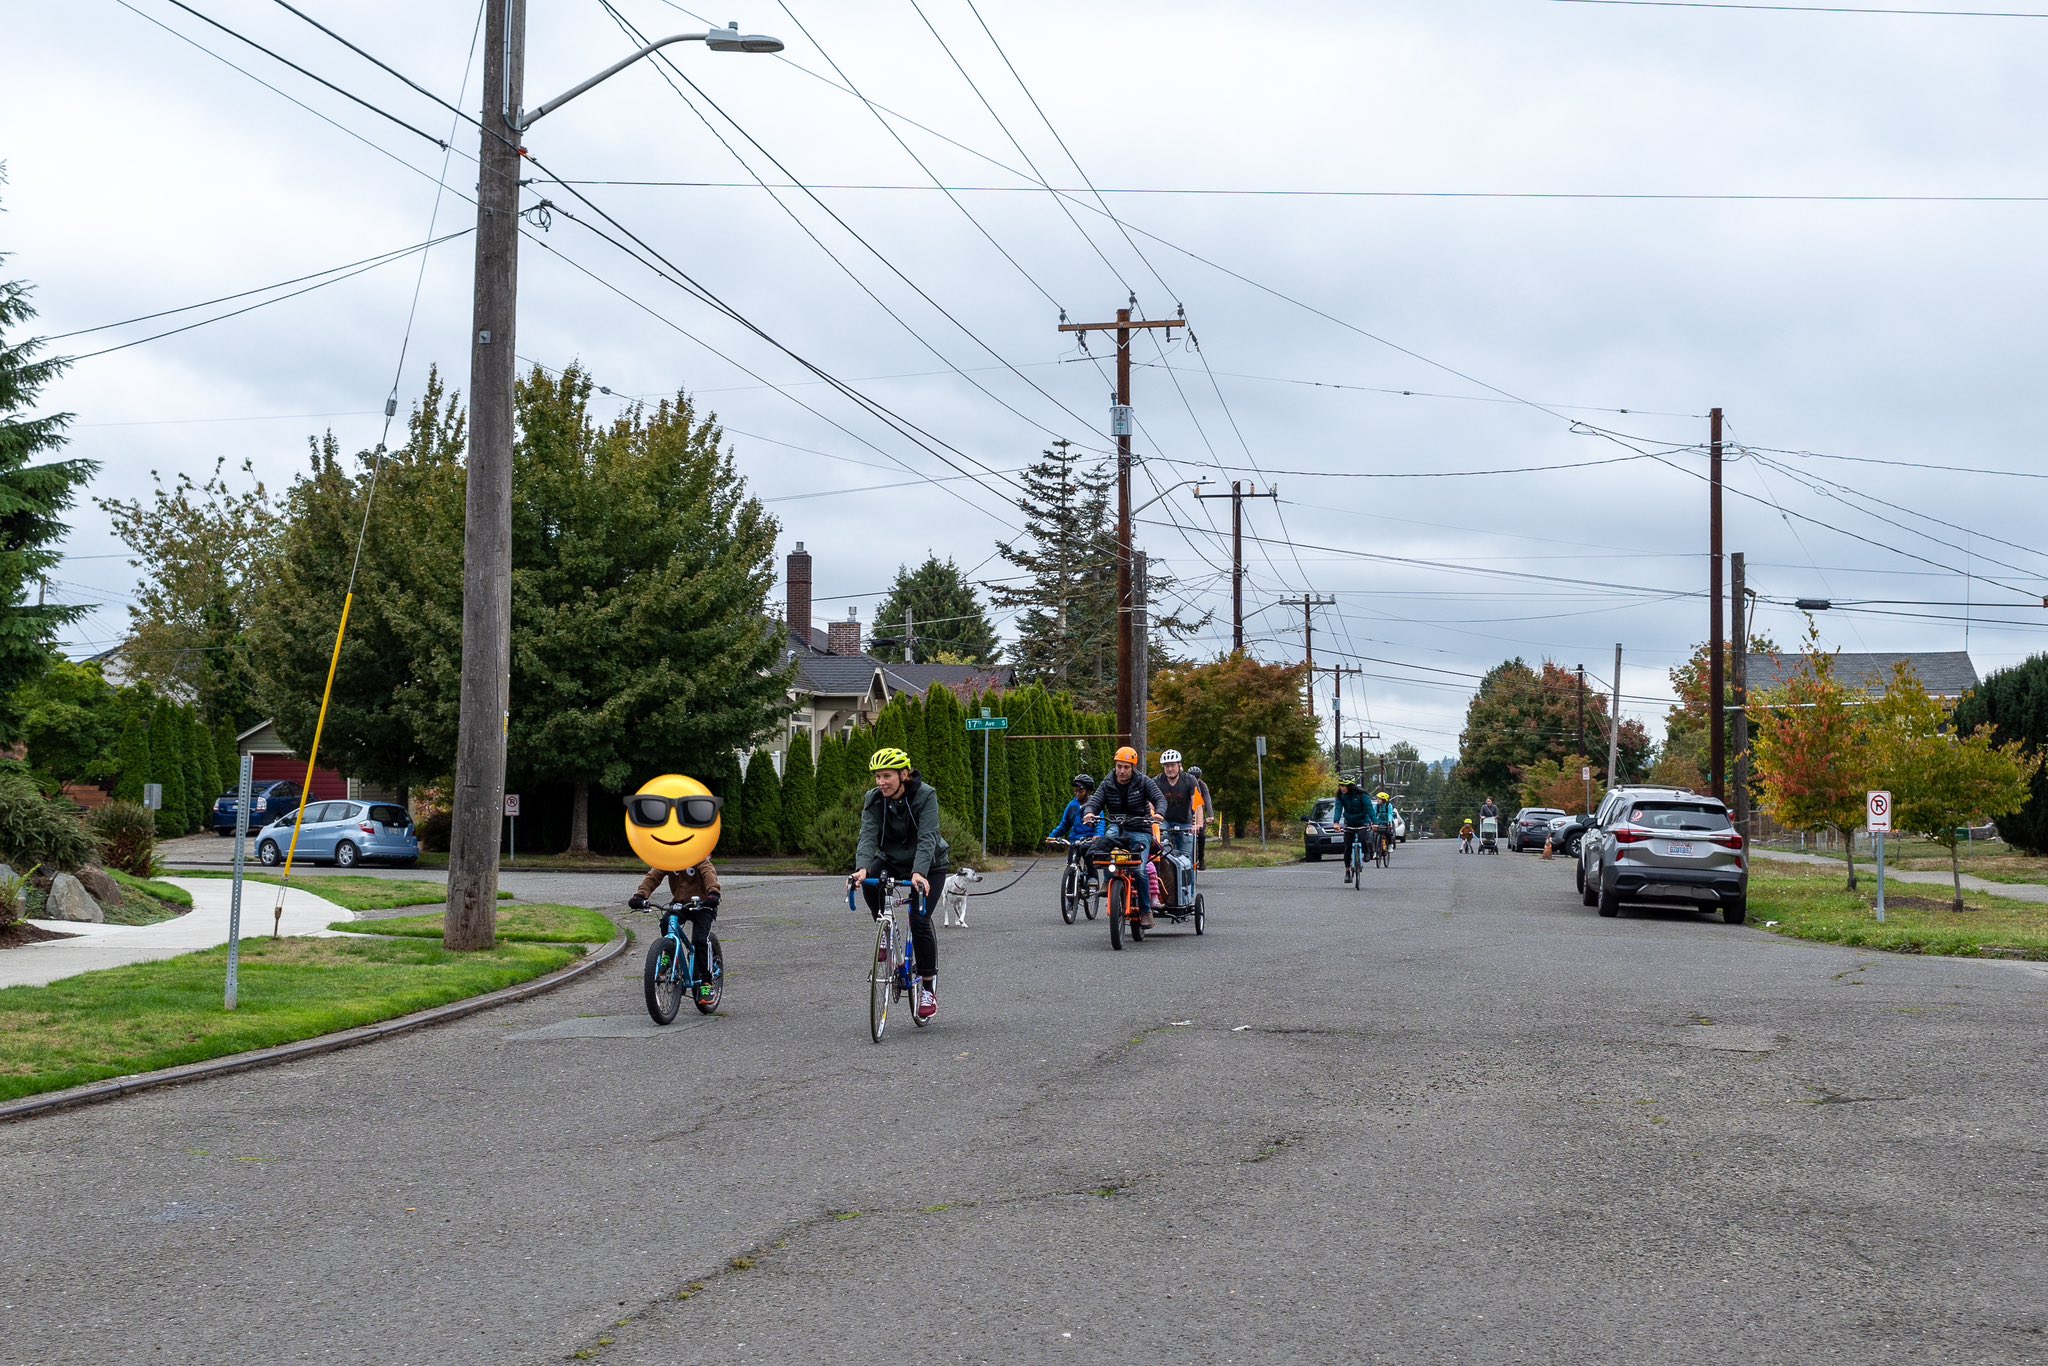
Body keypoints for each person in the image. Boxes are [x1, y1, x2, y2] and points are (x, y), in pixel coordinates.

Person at [851, 746, 951, 1022]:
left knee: (919, 919)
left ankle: (928, 988)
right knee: (871, 880)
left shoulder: (925, 795)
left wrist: (919, 872)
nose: (880, 782)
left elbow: (928, 837)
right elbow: (867, 836)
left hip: (930, 864)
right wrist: (861, 868)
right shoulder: (873, 799)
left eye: (886, 776)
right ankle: (883, 929)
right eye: (877, 777)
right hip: (892, 859)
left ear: (903, 775)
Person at [1083, 746, 1166, 928]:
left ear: (1133, 767)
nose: (1122, 771)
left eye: (1126, 767)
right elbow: (1095, 802)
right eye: (1119, 766)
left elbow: (1160, 799)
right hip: (1117, 827)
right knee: (1104, 846)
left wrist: (1159, 813)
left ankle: (1145, 911)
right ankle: (1106, 881)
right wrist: (1089, 813)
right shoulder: (1107, 783)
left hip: (1140, 829)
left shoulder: (1144, 782)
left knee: (1139, 869)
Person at [1046, 773, 1100, 888]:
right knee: (1071, 864)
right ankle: (1070, 898)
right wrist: (1052, 836)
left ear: (1088, 791)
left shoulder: (1095, 805)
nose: (1077, 793)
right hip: (1074, 840)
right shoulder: (1072, 805)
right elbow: (1064, 824)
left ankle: (1092, 877)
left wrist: (1098, 835)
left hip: (1089, 840)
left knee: (1088, 853)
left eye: (1080, 791)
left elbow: (1101, 823)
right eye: (1075, 790)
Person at [1153, 749, 1203, 867]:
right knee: (1161, 853)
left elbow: (1197, 804)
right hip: (1164, 821)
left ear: (1179, 765)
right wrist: (1152, 820)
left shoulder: (1190, 780)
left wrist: (1198, 824)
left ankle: (1188, 884)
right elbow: (1150, 803)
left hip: (1184, 822)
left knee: (1186, 859)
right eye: (1166, 766)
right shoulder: (1157, 781)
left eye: (1172, 765)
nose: (1169, 769)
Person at [1334, 779, 1372, 882]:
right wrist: (1336, 823)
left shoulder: (1361, 795)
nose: (1342, 788)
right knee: (1347, 847)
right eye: (1340, 786)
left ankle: (1366, 851)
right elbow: (1338, 809)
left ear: (1350, 786)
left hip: (1362, 821)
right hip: (1349, 822)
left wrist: (1375, 822)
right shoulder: (1340, 796)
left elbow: (1369, 808)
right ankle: (1347, 871)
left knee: (1362, 838)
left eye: (1344, 786)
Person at [1188, 765, 1214, 869]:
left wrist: (1210, 815)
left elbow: (1207, 799)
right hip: (1187, 812)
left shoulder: (1202, 786)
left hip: (1199, 812)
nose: (1195, 780)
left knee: (1201, 835)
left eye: (1197, 778)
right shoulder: (1185, 783)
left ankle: (1201, 858)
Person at [1368, 789, 1396, 861]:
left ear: (1383, 800)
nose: (1377, 800)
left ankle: (1390, 845)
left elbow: (1390, 814)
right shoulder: (1377, 806)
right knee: (1374, 835)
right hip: (1379, 822)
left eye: (1379, 799)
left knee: (1388, 832)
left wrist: (1389, 821)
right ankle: (1375, 852)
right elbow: (1373, 814)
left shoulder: (1388, 806)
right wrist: (1372, 822)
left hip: (1387, 822)